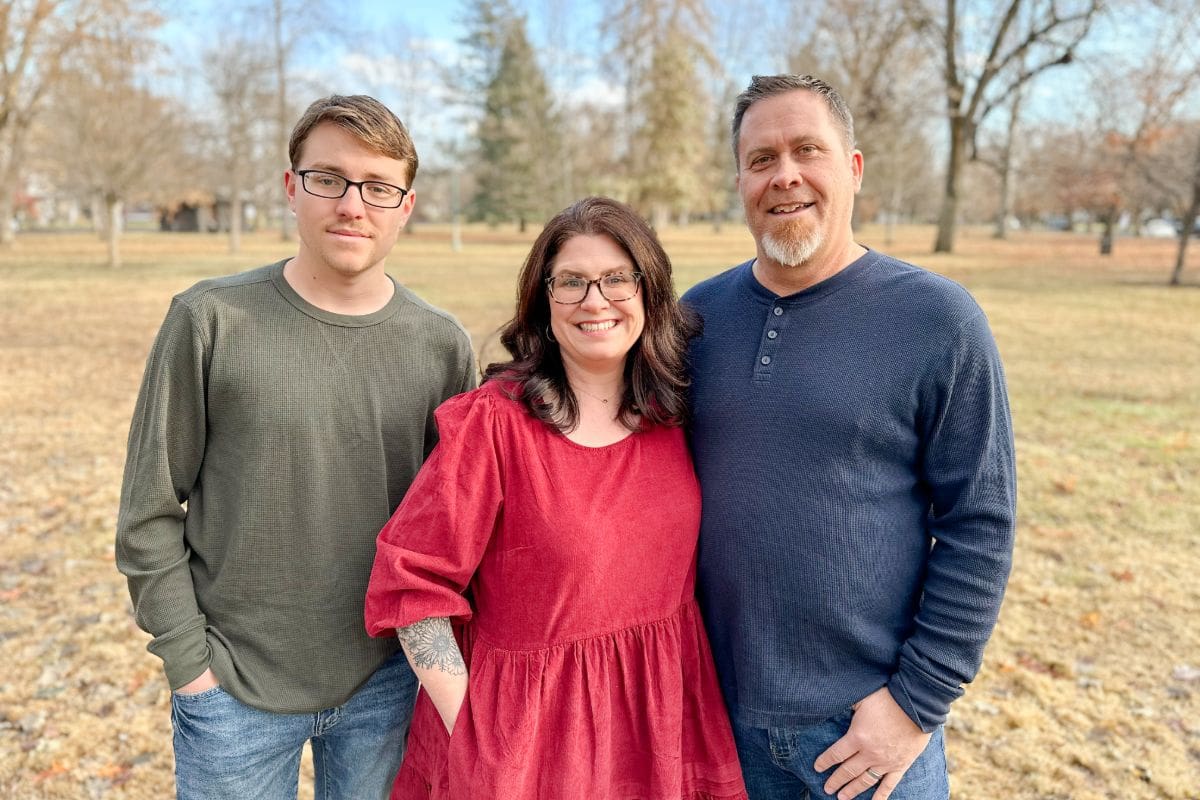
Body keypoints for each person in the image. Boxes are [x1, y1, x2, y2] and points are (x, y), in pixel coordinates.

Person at [115, 95, 476, 800]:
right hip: (234, 690)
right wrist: (193, 669)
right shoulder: (210, 320)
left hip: (387, 684)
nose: (352, 205)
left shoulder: (440, 345)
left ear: (405, 205)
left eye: (378, 187)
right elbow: (149, 511)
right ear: (291, 187)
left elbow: (454, 530)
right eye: (328, 179)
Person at [682, 74, 1016, 800]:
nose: (785, 175)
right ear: (740, 179)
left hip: (866, 735)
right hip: (714, 724)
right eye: (762, 158)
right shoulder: (695, 319)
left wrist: (916, 703)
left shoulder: (939, 320)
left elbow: (980, 525)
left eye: (809, 150)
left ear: (855, 169)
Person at [363, 196, 748, 800]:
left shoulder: (672, 413)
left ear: (650, 291)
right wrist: (475, 730)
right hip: (525, 747)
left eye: (618, 279)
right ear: (545, 301)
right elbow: (413, 589)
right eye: (571, 282)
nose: (596, 301)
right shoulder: (495, 424)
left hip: (661, 727)